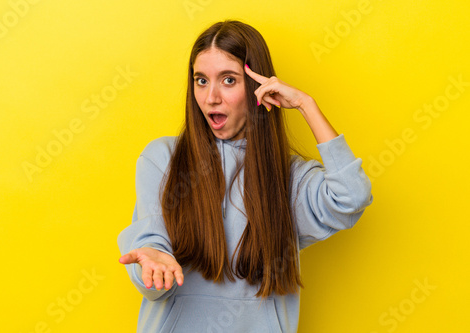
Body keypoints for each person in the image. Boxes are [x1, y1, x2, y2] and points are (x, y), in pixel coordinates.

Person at [117, 19, 373, 333]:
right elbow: (153, 268)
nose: (211, 97)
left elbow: (352, 197)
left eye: (228, 80)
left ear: (257, 86)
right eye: (200, 80)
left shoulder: (287, 177)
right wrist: (153, 264)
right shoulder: (162, 160)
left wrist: (307, 105)